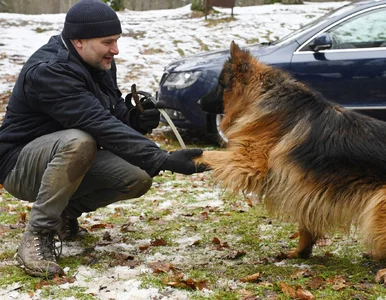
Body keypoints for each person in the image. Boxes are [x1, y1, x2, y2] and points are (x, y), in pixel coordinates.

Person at [0, 0, 206, 278]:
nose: (115, 50)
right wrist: (161, 158)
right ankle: (38, 234)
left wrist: (134, 119)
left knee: (138, 176)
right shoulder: (50, 70)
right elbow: (95, 123)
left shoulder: (98, 62)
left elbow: (109, 112)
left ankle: (63, 213)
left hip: (65, 161)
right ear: (79, 41)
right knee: (79, 140)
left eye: (117, 41)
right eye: (108, 42)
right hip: (19, 165)